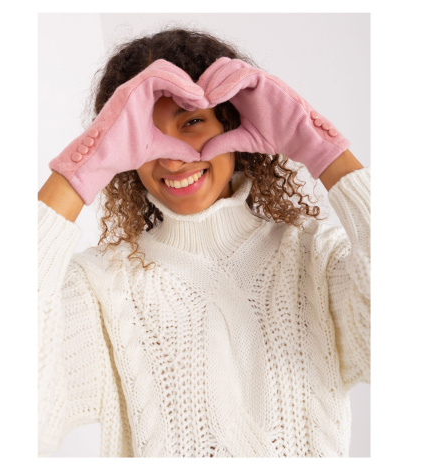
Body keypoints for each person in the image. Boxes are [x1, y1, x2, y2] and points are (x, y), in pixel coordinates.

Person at [38, 27, 370, 457]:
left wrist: (323, 147)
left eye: (191, 122)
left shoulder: (318, 259)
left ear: (235, 123)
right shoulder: (101, 286)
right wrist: (77, 172)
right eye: (144, 136)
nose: (173, 157)